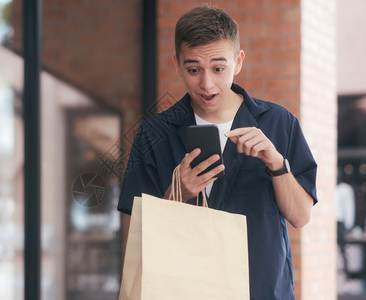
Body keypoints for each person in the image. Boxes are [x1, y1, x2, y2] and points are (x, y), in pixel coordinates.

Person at [117, 6, 317, 299]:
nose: (206, 84)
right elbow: (139, 230)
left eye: (218, 68)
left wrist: (276, 163)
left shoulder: (279, 122)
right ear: (177, 64)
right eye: (193, 69)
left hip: (260, 289)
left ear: (238, 61)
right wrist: (178, 194)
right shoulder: (154, 133)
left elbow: (300, 216)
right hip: (182, 290)